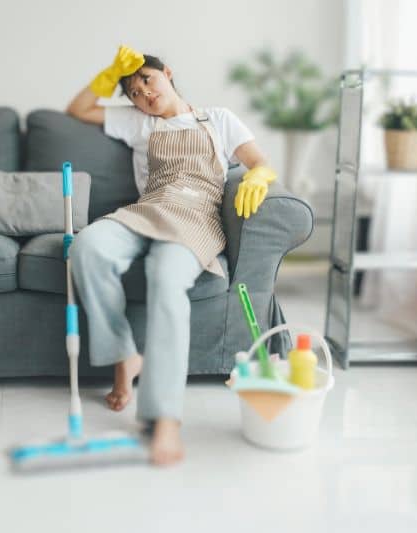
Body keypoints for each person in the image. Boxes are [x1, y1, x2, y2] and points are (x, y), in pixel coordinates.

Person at [66, 45, 277, 466]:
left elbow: (258, 161)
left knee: (166, 279)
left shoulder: (217, 118)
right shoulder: (138, 123)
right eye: (133, 90)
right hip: (147, 210)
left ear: (168, 73)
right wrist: (110, 72)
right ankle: (124, 354)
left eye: (147, 79)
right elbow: (78, 108)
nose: (143, 93)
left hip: (196, 217)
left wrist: (259, 176)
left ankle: (165, 419)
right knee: (86, 247)